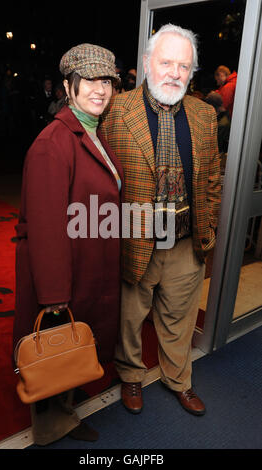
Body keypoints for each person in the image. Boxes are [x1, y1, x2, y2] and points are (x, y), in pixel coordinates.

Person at [100, 24, 221, 417]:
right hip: (136, 240)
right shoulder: (116, 110)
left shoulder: (204, 115)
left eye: (183, 66)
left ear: (192, 72)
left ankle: (178, 379)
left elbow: (213, 179)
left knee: (179, 320)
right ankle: (131, 376)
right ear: (148, 63)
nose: (174, 72)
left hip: (186, 242)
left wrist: (210, 227)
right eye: (166, 62)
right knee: (130, 317)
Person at [12, 43, 123, 446]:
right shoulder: (52, 143)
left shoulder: (91, 132)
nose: (100, 89)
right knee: (54, 349)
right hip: (61, 272)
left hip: (86, 264)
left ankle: (67, 400)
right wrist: (55, 295)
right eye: (90, 80)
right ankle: (52, 426)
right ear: (67, 85)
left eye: (107, 80)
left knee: (71, 348)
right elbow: (46, 227)